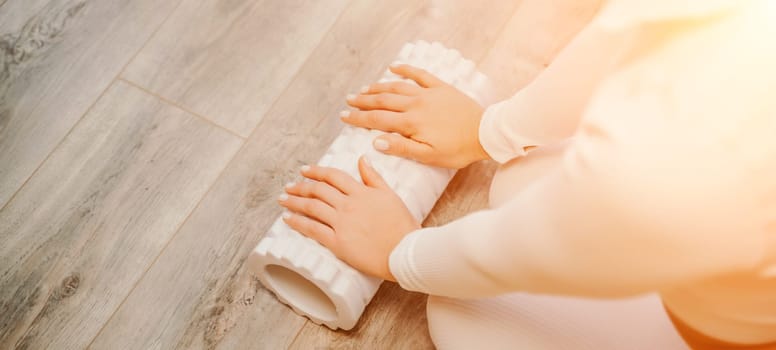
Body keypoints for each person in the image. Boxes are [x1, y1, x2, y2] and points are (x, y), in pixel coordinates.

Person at [278, 1, 776, 348]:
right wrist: (490, 130)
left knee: (462, 317)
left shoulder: (683, 165)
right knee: (518, 178)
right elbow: (637, 28)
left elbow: (539, 248)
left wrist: (401, 254)